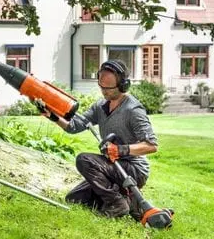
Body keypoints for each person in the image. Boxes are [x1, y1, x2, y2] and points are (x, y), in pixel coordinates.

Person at [37, 59, 158, 219]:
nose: (104, 91)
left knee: (84, 160)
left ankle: (117, 204)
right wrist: (53, 117)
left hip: (133, 169)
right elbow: (74, 126)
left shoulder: (133, 110)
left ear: (123, 85)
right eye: (101, 86)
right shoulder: (101, 106)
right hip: (113, 168)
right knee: (75, 198)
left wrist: (121, 150)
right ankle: (129, 202)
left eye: (109, 88)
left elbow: (151, 145)